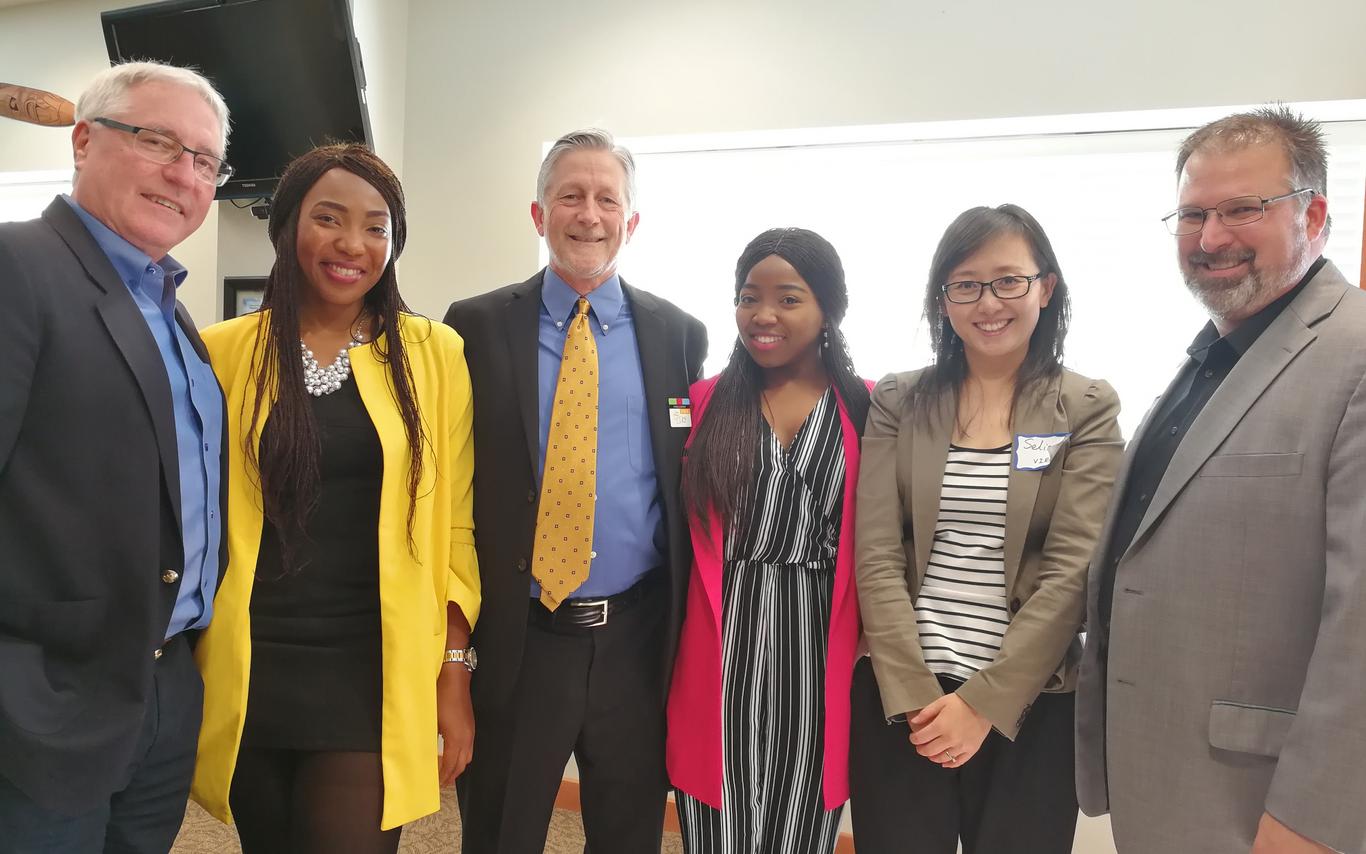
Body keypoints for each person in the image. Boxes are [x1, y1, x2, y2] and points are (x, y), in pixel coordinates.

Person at [1076, 107, 1366, 854]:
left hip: (1269, 808)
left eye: (1244, 209)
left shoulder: (1353, 357)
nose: (1212, 238)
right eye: (1194, 213)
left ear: (1315, 214)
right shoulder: (1212, 357)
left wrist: (1315, 820)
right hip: (1178, 782)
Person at [188, 143, 480, 854]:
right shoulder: (222, 351)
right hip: (253, 663)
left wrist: (454, 673)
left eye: (377, 227)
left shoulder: (433, 354)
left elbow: (459, 530)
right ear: (287, 229)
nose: (354, 243)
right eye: (329, 218)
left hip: (372, 671)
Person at [443, 128, 707, 854]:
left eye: (606, 199)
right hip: (524, 637)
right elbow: (454, 487)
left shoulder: (678, 334)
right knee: (500, 832)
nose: (589, 214)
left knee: (627, 835)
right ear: (538, 214)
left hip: (637, 633)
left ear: (631, 220)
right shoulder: (475, 326)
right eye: (570, 196)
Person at [0, 61, 230, 853]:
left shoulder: (170, 311)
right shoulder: (16, 268)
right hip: (43, 698)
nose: (183, 173)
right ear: (84, 139)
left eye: (205, 161)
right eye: (159, 141)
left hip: (162, 686)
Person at [852, 204, 1122, 853]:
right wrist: (918, 694)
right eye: (966, 285)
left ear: (1045, 288)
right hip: (904, 695)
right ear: (943, 300)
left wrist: (984, 704)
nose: (988, 302)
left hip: (1030, 703)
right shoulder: (899, 399)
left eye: (1009, 281)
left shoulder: (1086, 407)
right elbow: (878, 553)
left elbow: (1072, 571)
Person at [667, 228, 870, 853]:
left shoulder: (867, 408)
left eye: (788, 298)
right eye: (748, 296)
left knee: (803, 831)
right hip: (723, 644)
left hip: (819, 649)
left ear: (828, 307)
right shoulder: (702, 404)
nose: (763, 315)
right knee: (716, 830)